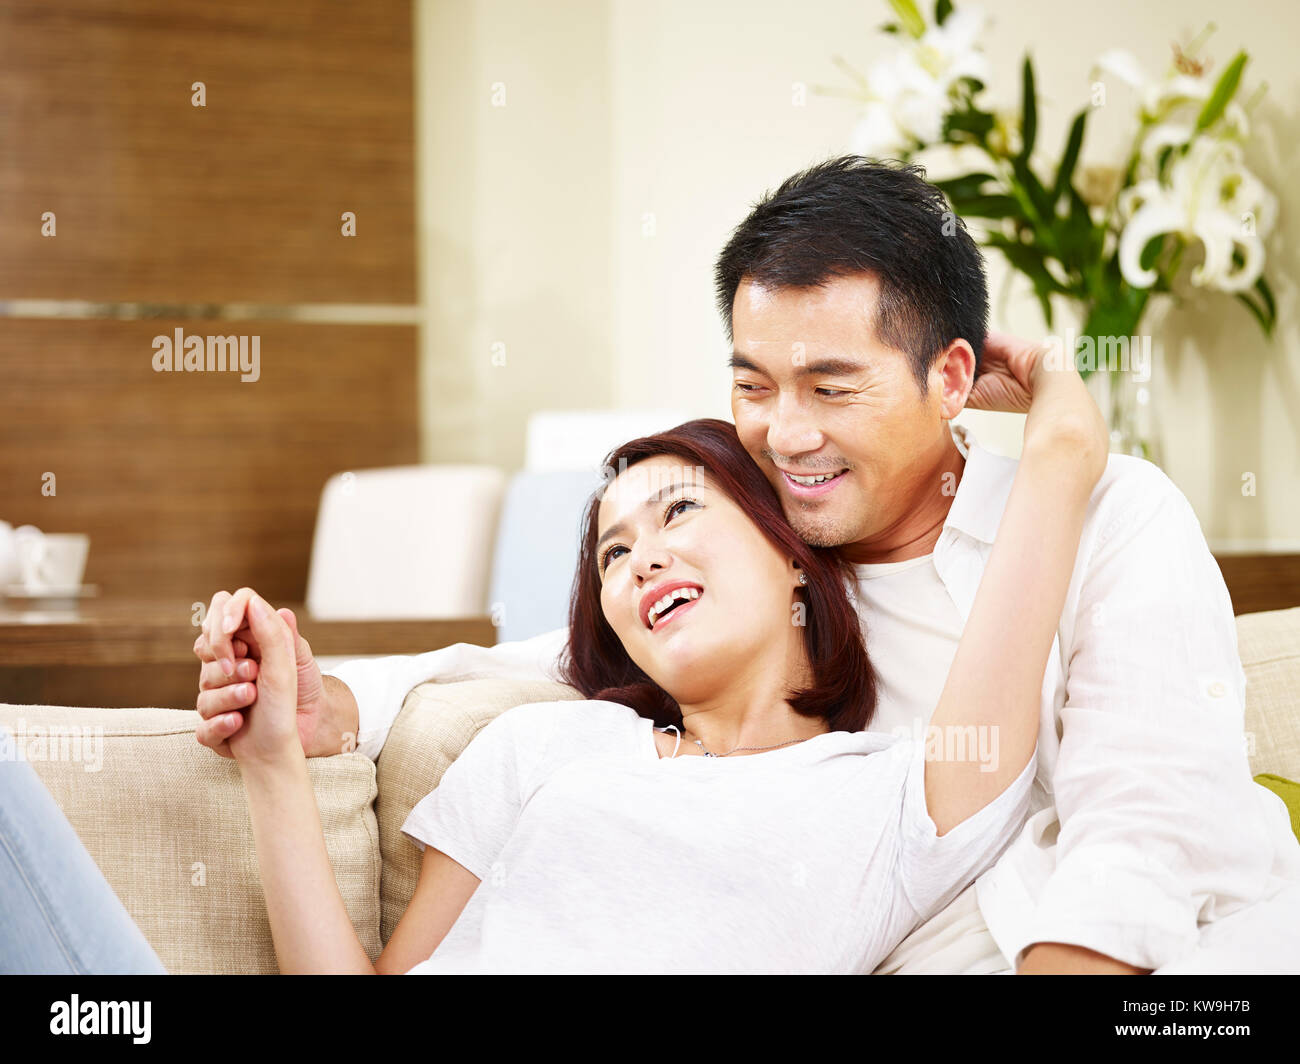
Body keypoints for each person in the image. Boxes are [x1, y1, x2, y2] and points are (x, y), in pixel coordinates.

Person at [194, 157, 1300, 974]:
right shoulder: (770, 549)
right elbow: (566, 647)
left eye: (831, 386)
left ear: (951, 375)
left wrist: (1060, 450)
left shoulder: (1106, 515)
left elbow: (1145, 831)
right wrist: (330, 703)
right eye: (754, 385)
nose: (786, 433)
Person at [0, 339, 1107, 974]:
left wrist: (1054, 432)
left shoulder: (885, 795)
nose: (642, 558)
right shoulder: (547, 740)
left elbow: (1023, 591)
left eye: (679, 514)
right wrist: (277, 761)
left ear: (789, 561)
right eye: (614, 551)